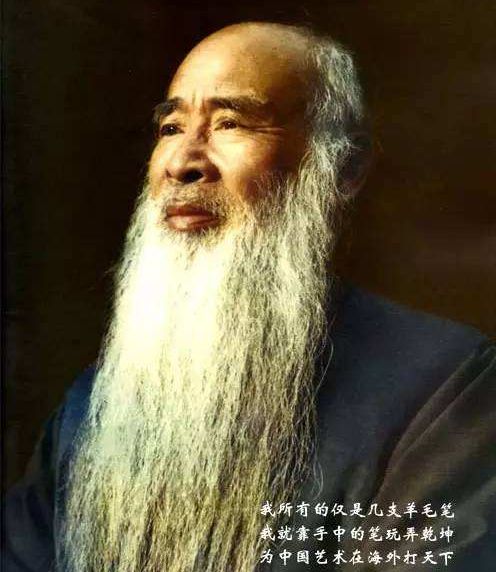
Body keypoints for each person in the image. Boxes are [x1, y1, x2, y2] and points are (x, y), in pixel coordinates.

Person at [3, 21, 495, 572]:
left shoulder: (446, 387)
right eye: (171, 127)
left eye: (230, 123)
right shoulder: (95, 404)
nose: (182, 162)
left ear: (344, 167)